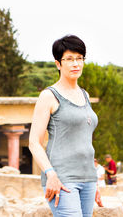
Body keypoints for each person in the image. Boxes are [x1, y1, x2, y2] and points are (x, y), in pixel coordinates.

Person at [29, 35, 103, 217]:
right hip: (61, 178)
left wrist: (93, 181)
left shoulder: (85, 95)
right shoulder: (49, 96)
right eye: (69, 59)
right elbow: (34, 142)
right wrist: (50, 174)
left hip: (87, 179)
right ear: (58, 64)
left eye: (79, 58)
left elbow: (84, 140)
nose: (75, 63)